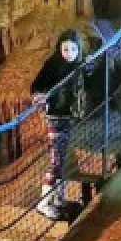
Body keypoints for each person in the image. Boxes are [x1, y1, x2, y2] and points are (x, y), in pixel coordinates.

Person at [30, 30, 84, 220]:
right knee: (56, 160)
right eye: (65, 49)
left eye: (72, 49)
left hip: (68, 117)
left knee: (62, 159)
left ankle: (59, 199)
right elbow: (36, 85)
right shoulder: (53, 65)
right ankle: (43, 203)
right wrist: (39, 96)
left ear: (79, 50)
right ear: (59, 49)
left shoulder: (79, 66)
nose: (68, 53)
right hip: (55, 117)